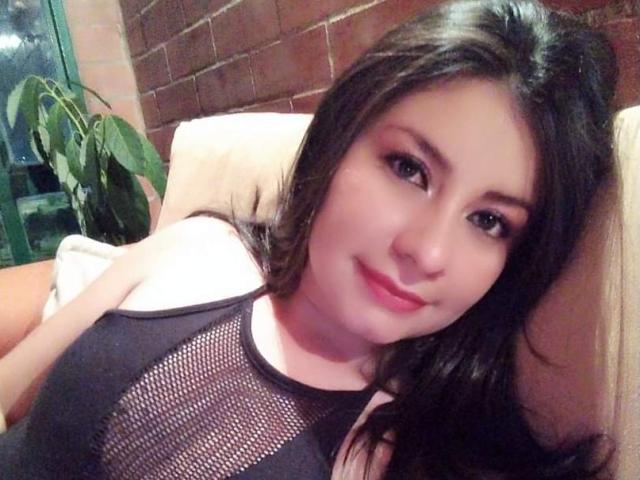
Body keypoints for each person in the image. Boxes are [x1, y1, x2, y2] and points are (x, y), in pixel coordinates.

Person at [0, 0, 618, 478]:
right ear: (337, 141)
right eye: (409, 169)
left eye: (489, 221)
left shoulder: (404, 453)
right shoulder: (200, 244)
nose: (427, 252)